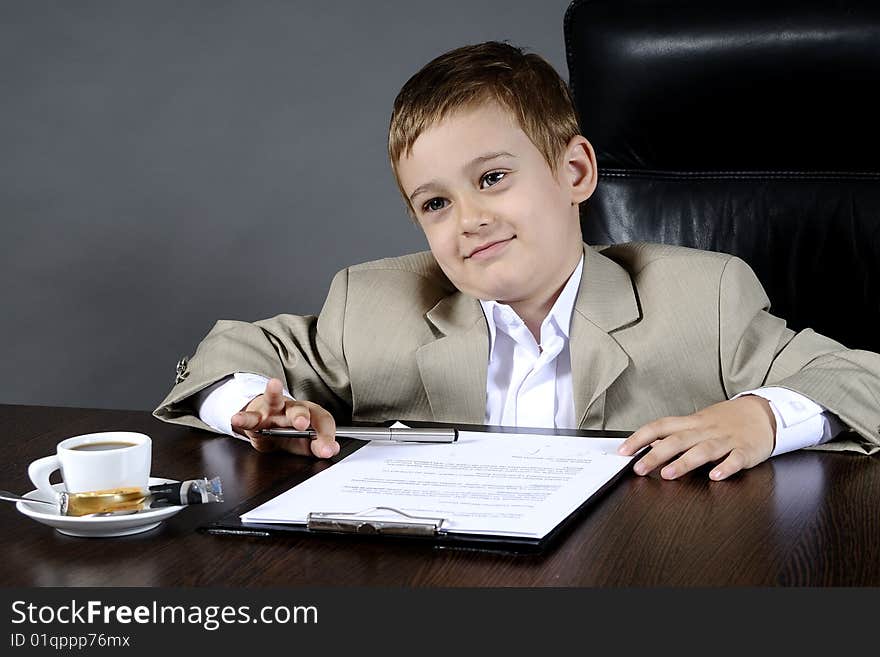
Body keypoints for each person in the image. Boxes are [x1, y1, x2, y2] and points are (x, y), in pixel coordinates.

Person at [154, 41, 880, 481]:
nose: (469, 219)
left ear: (574, 172)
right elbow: (227, 353)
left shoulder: (704, 298)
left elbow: (860, 378)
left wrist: (760, 417)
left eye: (492, 178)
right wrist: (250, 405)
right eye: (434, 203)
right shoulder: (373, 306)